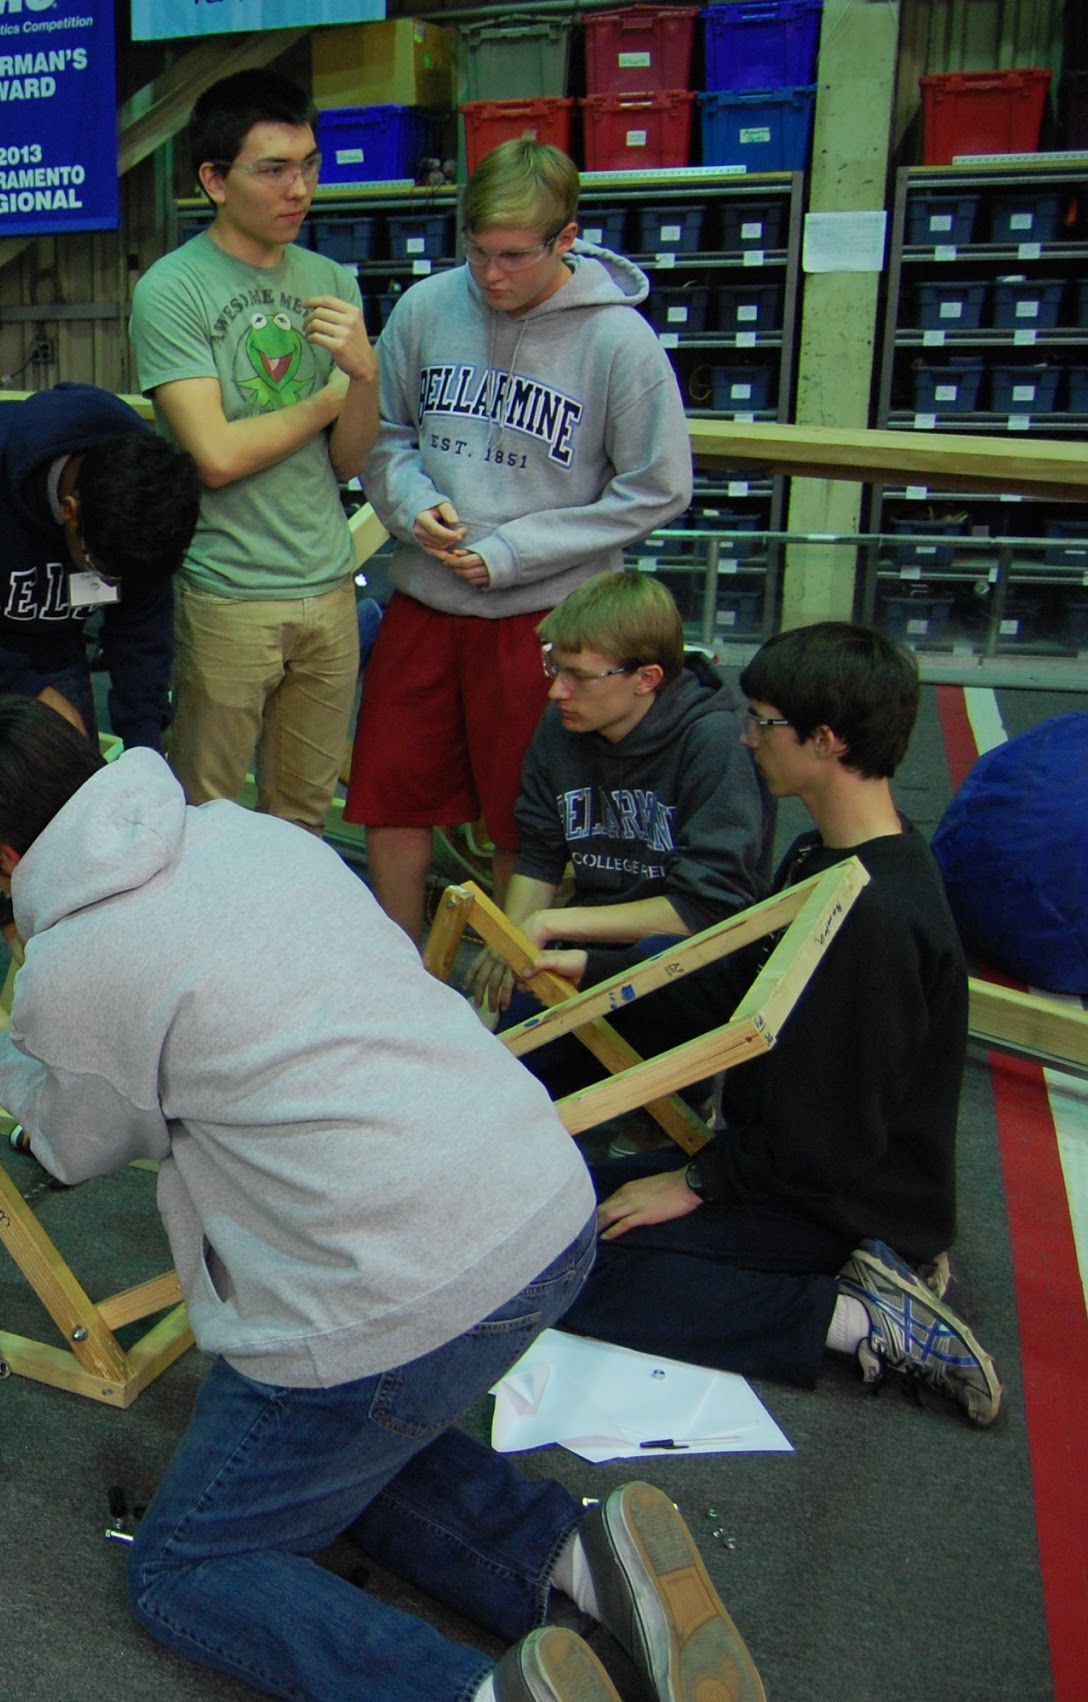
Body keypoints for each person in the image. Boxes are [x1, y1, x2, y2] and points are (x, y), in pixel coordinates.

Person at [0, 697, 764, 1702]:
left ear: (5, 857)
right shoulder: (246, 827)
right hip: (539, 1197)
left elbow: (77, 1142)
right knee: (337, 1454)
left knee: (188, 1564)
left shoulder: (73, 960)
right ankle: (579, 1561)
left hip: (396, 1284)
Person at [554, 623, 1001, 1427]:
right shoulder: (826, 857)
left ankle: (865, 1318)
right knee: (549, 1213)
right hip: (784, 1162)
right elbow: (730, 983)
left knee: (566, 1271)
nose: (749, 739)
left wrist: (693, 1185)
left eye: (762, 721)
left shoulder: (879, 919)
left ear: (824, 742)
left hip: (844, 1199)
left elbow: (832, 1134)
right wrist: (588, 972)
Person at [353, 139, 693, 939]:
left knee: (524, 818)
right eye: (477, 252)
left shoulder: (620, 343)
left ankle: (508, 992)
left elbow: (657, 487)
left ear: (566, 239)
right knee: (389, 794)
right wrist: (410, 504)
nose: (491, 275)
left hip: (544, 623)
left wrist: (515, 553)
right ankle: (394, 979)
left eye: (513, 256)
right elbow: (386, 433)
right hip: (427, 599)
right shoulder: (427, 308)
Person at [0, 381, 199, 1089]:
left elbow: (140, 638)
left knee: (67, 832)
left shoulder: (139, 508)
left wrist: (146, 755)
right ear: (69, 507)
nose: (112, 581)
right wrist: (27, 688)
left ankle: (57, 1031)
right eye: (101, 567)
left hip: (47, 641)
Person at [131, 68, 378, 824]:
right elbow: (216, 455)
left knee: (303, 813)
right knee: (206, 812)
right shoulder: (175, 288)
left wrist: (365, 377)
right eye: (273, 169)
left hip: (330, 584)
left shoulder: (330, 277)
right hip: (229, 590)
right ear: (214, 179)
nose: (298, 188)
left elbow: (348, 461)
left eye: (308, 165)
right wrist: (333, 395)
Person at [471, 573, 773, 1066]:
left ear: (646, 678)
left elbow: (707, 909)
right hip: (589, 943)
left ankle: (684, 1096)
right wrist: (516, 937)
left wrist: (545, 924)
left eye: (579, 677)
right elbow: (541, 853)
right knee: (498, 1062)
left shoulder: (713, 741)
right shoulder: (565, 726)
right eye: (553, 666)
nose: (556, 691)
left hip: (683, 960)